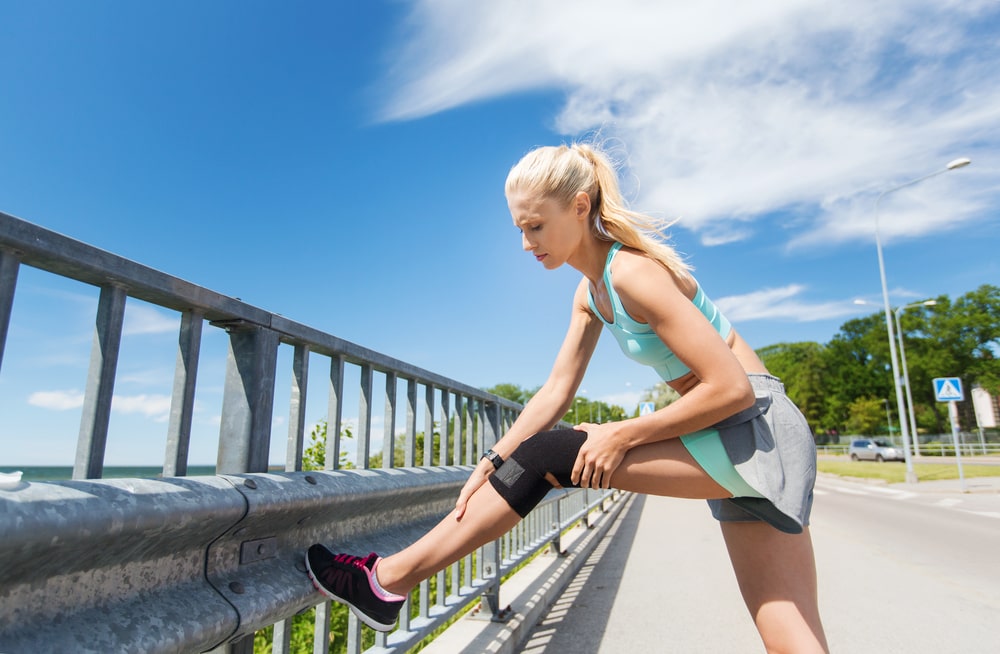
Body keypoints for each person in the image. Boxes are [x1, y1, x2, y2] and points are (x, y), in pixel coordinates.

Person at [305, 143, 829, 653]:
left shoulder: (632, 273)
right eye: (519, 229)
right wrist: (493, 459)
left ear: (580, 208)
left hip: (754, 427)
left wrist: (621, 433)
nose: (527, 243)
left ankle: (386, 580)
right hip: (734, 436)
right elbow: (556, 390)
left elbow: (730, 387)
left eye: (536, 226)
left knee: (549, 456)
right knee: (790, 640)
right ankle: (387, 582)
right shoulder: (591, 292)